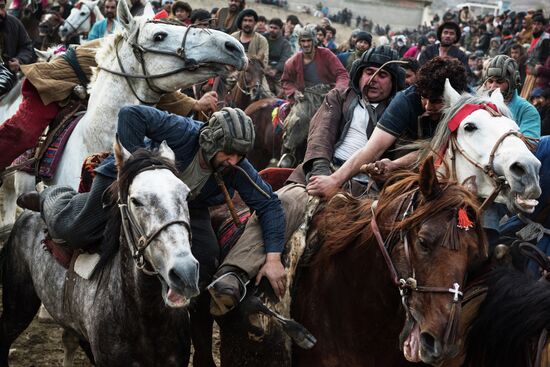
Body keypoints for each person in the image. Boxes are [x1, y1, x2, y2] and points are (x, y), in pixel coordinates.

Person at [207, 46, 405, 315]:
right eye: (370, 72)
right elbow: (319, 138)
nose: (374, 80)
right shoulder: (339, 97)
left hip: (369, 187)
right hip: (322, 173)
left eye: (383, 76)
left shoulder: (399, 111)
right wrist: (324, 175)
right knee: (282, 203)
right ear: (360, 74)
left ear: (393, 82)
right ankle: (233, 273)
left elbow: (403, 155)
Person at [17, 106, 285, 295]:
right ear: (211, 141)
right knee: (75, 230)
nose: (234, 161)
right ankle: (51, 198)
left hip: (185, 206)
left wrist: (273, 259)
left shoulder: (234, 167)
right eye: (229, 153)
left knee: (205, 258)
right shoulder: (183, 131)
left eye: (240, 155)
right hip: (129, 183)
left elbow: (269, 204)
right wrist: (134, 168)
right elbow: (131, 114)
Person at [0, 41, 219, 185]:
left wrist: (193, 103)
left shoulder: (143, 53)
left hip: (85, 92)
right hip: (55, 82)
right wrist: (194, 104)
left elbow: (155, 89)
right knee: (24, 131)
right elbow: (156, 87)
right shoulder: (127, 50)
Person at [306, 56, 469, 197]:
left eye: (437, 101)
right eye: (424, 98)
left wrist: (395, 165)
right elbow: (372, 149)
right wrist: (333, 179)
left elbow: (437, 149)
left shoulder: (470, 108)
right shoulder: (406, 100)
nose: (427, 107)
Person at [480, 55, 541, 138]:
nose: (493, 86)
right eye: (490, 81)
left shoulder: (527, 110)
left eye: (499, 81)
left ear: (513, 82)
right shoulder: (480, 106)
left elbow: (530, 144)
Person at [280, 27, 349, 101]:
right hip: (305, 98)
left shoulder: (326, 54)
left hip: (328, 96)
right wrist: (294, 92)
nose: (306, 44)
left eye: (309, 40)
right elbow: (286, 81)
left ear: (314, 41)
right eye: (303, 41)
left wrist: (337, 90)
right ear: (299, 43)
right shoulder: (292, 61)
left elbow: (342, 73)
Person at [0, 0, 36, 79]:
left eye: (2, 7)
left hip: (8, 77)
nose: (1, 12)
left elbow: (27, 46)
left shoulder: (14, 23)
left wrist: (19, 60)